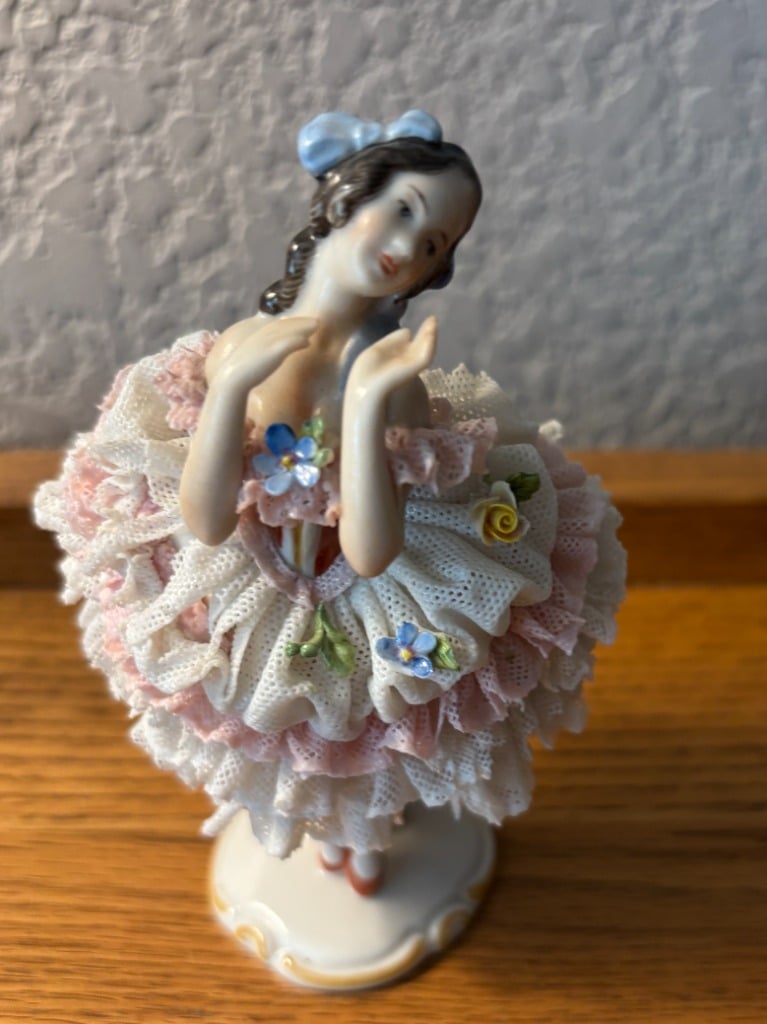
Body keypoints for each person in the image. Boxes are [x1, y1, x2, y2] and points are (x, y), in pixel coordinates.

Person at [34, 112, 625, 897]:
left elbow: (371, 553)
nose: (409, 246)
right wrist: (229, 391)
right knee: (275, 710)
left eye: (435, 243)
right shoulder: (240, 348)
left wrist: (370, 402)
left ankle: (368, 835)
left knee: (378, 709)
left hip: (372, 578)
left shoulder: (389, 381)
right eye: (403, 210)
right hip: (246, 572)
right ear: (346, 198)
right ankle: (326, 835)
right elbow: (207, 519)